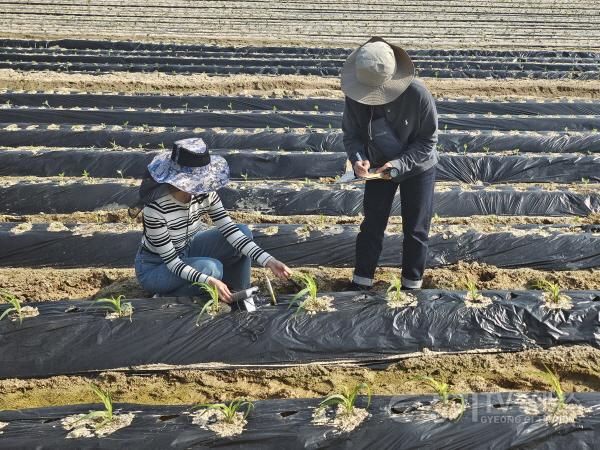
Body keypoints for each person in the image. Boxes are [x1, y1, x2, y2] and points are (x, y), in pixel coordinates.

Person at [130, 137, 292, 302]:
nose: (202, 184)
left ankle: (239, 295)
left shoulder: (205, 194)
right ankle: (168, 295)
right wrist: (209, 280)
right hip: (157, 266)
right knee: (211, 269)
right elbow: (172, 262)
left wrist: (269, 261)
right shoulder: (155, 209)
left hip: (188, 247)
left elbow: (230, 230)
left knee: (243, 231)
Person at [341, 37, 438, 291]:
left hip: (417, 166)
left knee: (416, 229)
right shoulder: (355, 96)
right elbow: (351, 135)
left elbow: (428, 141)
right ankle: (361, 282)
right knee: (372, 224)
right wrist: (358, 159)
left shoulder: (418, 95)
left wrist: (398, 163)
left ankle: (411, 287)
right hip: (377, 167)